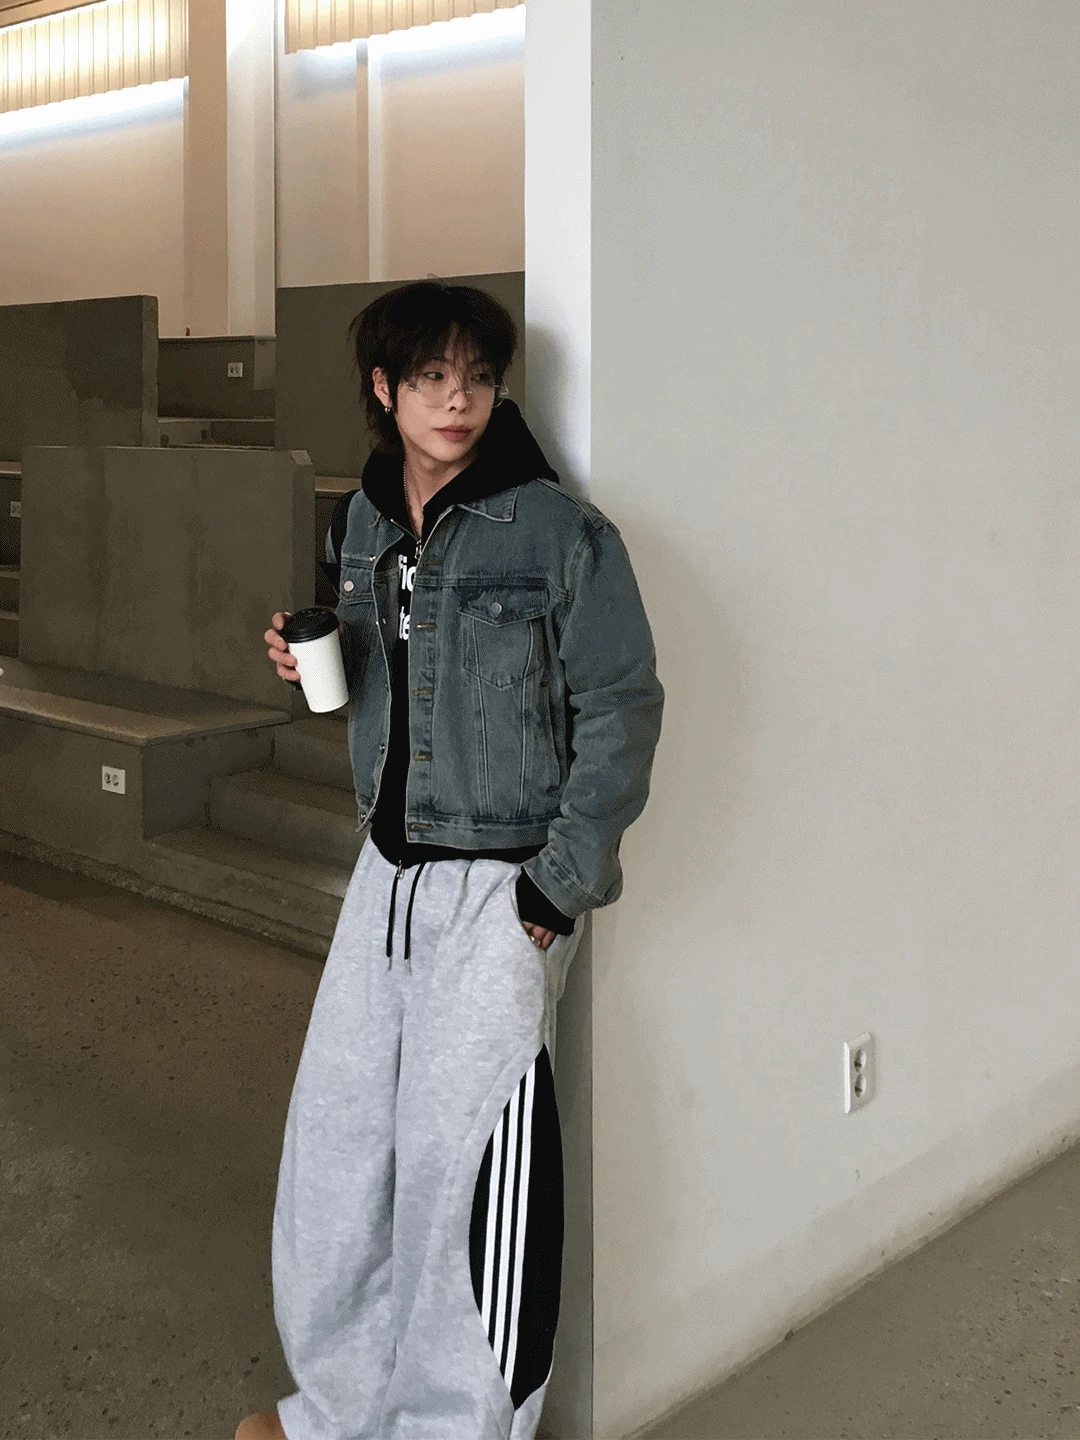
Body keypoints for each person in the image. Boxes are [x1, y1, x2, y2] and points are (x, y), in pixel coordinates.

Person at [236, 279, 663, 1440]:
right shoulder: (365, 522)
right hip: (386, 873)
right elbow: (384, 681)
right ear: (383, 390)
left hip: (501, 886)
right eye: (431, 377)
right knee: (340, 1150)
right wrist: (306, 656)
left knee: (466, 1172)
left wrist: (554, 888)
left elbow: (623, 709)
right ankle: (337, 1409)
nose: (459, 398)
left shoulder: (559, 533)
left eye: (477, 375)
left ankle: (449, 1429)